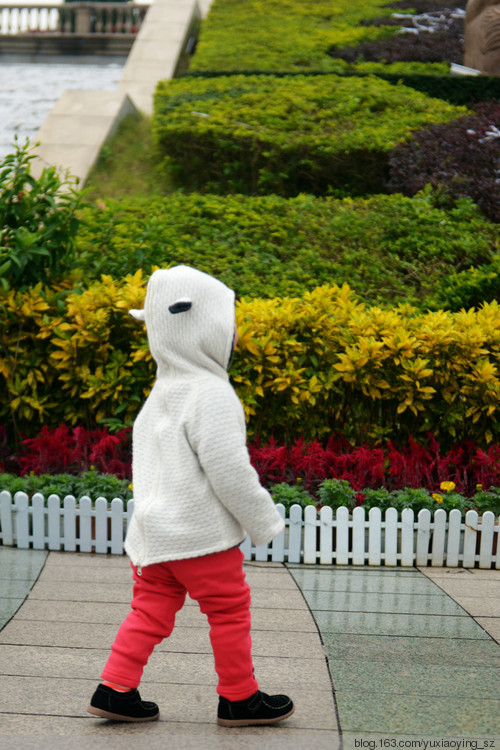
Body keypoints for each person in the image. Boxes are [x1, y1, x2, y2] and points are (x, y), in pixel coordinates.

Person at [87, 265, 294, 727]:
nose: (235, 335)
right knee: (229, 610)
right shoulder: (211, 393)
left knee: (150, 609)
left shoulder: (161, 392)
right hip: (200, 535)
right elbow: (228, 470)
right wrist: (263, 521)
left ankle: (115, 687)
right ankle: (240, 698)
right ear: (207, 328)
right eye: (230, 324)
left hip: (155, 535)